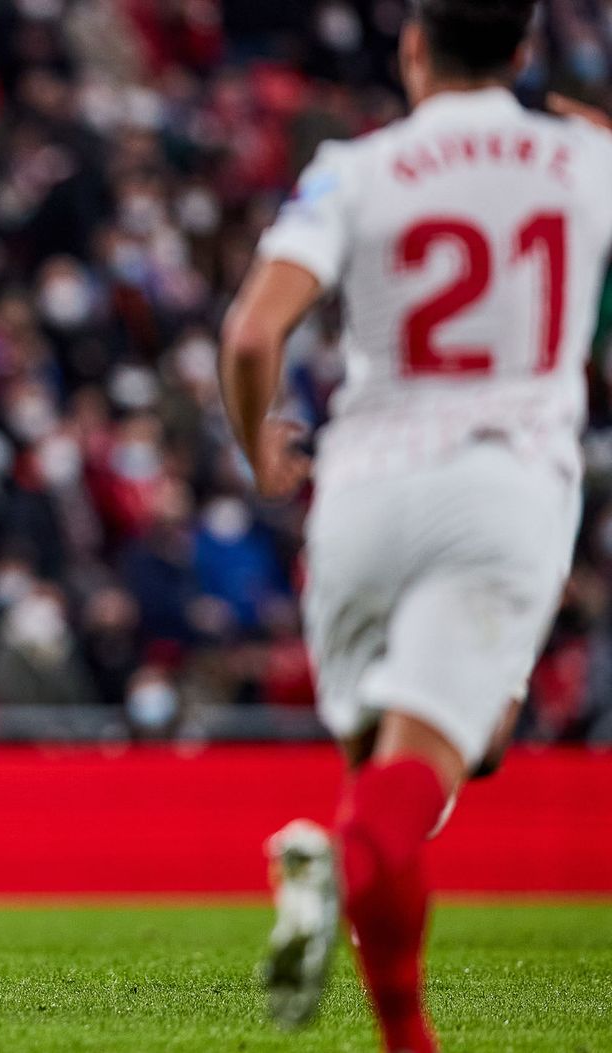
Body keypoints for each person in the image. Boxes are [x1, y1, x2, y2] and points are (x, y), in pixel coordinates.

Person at [220, 0, 612, 1047]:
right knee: (418, 781)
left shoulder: (357, 167)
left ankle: (403, 1029)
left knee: (390, 773)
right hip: (501, 484)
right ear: (524, 51)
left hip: (359, 493)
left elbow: (253, 331)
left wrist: (261, 447)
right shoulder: (580, 158)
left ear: (409, 49)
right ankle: (335, 871)